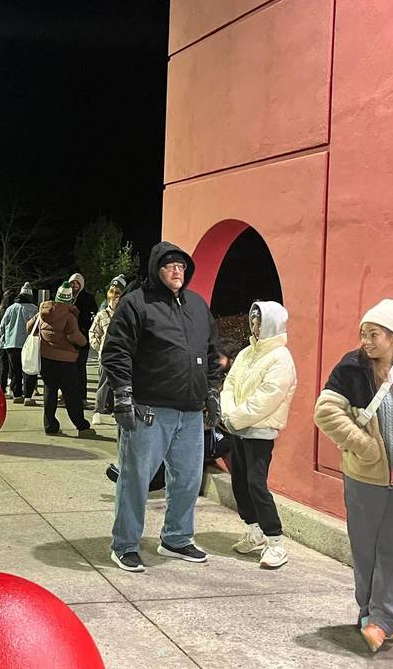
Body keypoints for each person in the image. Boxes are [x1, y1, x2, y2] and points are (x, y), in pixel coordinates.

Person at [313, 299, 393, 652]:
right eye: (363, 334)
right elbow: (326, 412)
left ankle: (383, 619)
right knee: (366, 550)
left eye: (374, 334)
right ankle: (371, 612)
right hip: (365, 479)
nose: (366, 341)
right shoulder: (351, 369)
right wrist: (364, 447)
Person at [101, 241, 222, 573]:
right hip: (148, 410)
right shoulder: (136, 303)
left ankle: (176, 538)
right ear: (156, 269)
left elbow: (211, 352)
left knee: (187, 479)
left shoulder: (197, 306)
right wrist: (123, 395)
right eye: (170, 266)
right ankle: (124, 544)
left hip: (191, 411)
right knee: (135, 478)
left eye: (182, 267)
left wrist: (211, 391)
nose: (176, 272)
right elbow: (116, 351)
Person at [220, 302, 298, 569]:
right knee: (239, 483)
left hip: (259, 432)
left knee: (256, 484)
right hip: (237, 429)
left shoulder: (281, 358)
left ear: (273, 324)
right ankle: (254, 530)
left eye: (261, 321)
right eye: (253, 321)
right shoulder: (245, 354)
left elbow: (268, 397)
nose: (255, 326)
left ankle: (275, 541)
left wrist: (235, 417)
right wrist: (229, 414)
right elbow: (229, 384)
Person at [27, 283, 95, 437]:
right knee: (72, 394)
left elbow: (29, 327)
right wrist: (84, 341)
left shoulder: (42, 311)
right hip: (66, 361)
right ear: (70, 298)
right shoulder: (69, 315)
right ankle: (81, 426)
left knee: (50, 391)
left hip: (46, 358)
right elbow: (74, 336)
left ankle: (50, 425)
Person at [88, 280, 125, 426]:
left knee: (120, 386)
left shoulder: (125, 314)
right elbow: (93, 332)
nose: (115, 297)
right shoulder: (102, 314)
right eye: (113, 294)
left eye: (118, 294)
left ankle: (117, 412)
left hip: (122, 356)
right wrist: (99, 347)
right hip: (106, 356)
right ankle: (97, 411)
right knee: (103, 385)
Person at [0, 284, 38, 404]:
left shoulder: (11, 308)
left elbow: (2, 325)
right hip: (28, 344)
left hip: (12, 344)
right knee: (29, 370)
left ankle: (17, 395)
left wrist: (4, 338)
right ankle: (28, 397)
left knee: (15, 370)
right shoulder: (34, 309)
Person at [69, 272, 97, 408]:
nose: (74, 285)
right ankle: (67, 396)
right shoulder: (66, 297)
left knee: (80, 369)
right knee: (68, 369)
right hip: (67, 339)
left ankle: (82, 398)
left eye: (76, 283)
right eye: (72, 283)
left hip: (81, 338)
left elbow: (93, 317)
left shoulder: (87, 298)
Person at [0, 288, 16, 392]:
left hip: (2, 342)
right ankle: (12, 387)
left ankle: (2, 387)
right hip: (12, 342)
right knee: (13, 366)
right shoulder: (14, 310)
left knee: (3, 367)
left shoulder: (1, 310)